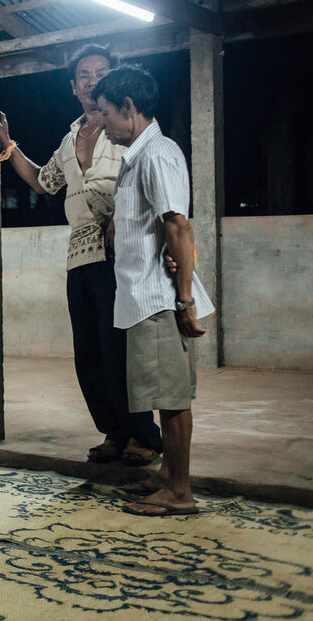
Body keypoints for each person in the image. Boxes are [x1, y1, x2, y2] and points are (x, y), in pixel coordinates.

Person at [0, 44, 163, 467]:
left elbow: (146, 182)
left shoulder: (129, 129)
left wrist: (121, 219)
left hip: (121, 251)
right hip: (80, 255)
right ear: (73, 87)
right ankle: (114, 431)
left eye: (99, 73)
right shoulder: (71, 138)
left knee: (122, 348)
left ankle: (145, 435)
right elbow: (41, 181)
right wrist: (8, 147)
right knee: (89, 351)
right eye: (83, 75)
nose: (91, 81)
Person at [93, 64, 214, 517]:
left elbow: (177, 225)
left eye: (105, 113)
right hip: (142, 297)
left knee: (171, 397)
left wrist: (184, 301)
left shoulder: (158, 154)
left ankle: (179, 492)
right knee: (161, 393)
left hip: (159, 299)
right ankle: (167, 478)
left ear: (128, 108)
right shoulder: (138, 156)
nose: (102, 124)